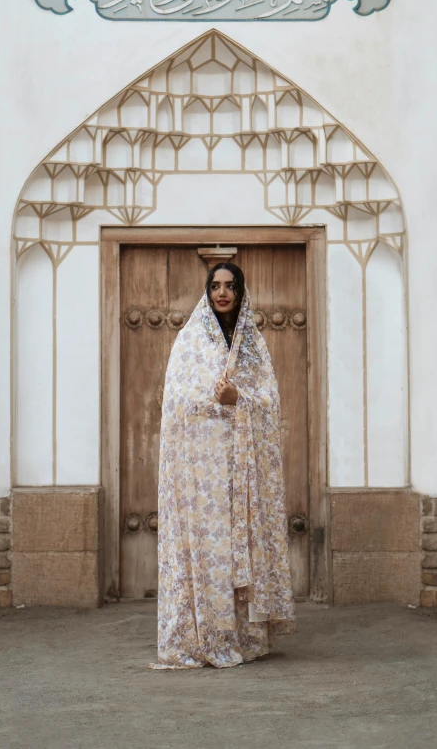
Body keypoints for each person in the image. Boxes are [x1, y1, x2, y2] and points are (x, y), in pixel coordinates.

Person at [149, 263, 295, 670]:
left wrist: (239, 399)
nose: (222, 293)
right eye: (214, 286)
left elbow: (269, 402)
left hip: (241, 469)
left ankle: (244, 638)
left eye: (230, 286)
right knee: (212, 550)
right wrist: (216, 401)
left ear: (241, 291)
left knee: (239, 549)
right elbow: (177, 403)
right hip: (203, 473)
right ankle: (204, 636)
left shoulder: (253, 344)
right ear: (207, 291)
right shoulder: (191, 340)